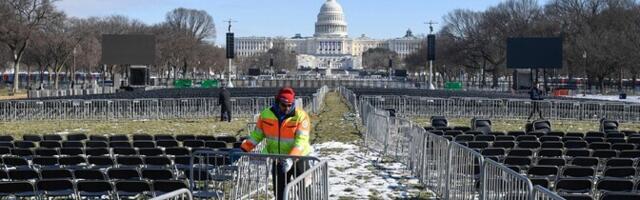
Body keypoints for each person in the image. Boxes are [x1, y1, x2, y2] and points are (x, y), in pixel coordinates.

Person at [240, 87, 312, 200]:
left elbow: (301, 141)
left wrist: (291, 158)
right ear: (277, 101)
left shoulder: (301, 117)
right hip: (278, 160)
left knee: (305, 191)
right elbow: (257, 135)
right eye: (284, 105)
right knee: (280, 193)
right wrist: (243, 149)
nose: (287, 108)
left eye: (290, 105)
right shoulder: (265, 115)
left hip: (299, 159)